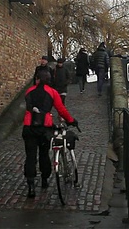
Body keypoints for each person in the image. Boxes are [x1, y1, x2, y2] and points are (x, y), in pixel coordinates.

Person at [22, 70, 78, 198]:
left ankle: (30, 184)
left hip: (29, 127)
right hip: (44, 128)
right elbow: (61, 109)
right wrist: (71, 120)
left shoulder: (29, 91)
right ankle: (44, 179)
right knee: (44, 154)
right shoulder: (52, 92)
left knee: (30, 156)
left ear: (37, 79)